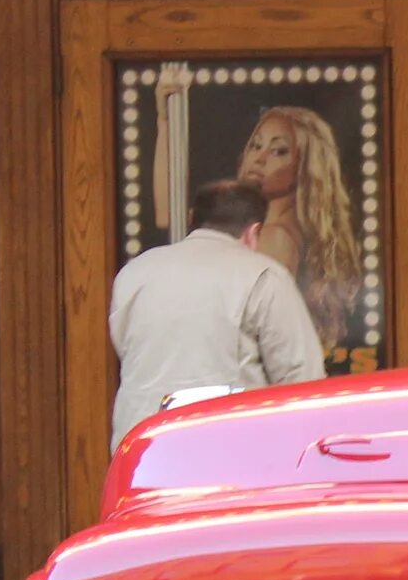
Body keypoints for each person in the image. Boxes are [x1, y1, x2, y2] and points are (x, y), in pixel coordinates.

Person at [108, 178, 325, 443]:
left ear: (192, 219)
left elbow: (125, 348)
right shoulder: (262, 275)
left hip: (139, 451)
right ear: (253, 231)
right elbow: (302, 379)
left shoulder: (134, 273)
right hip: (225, 452)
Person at [235, 104, 362, 361]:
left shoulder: (275, 237)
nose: (259, 158)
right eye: (256, 146)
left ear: (305, 166)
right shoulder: (278, 229)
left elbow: (259, 326)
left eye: (278, 151)